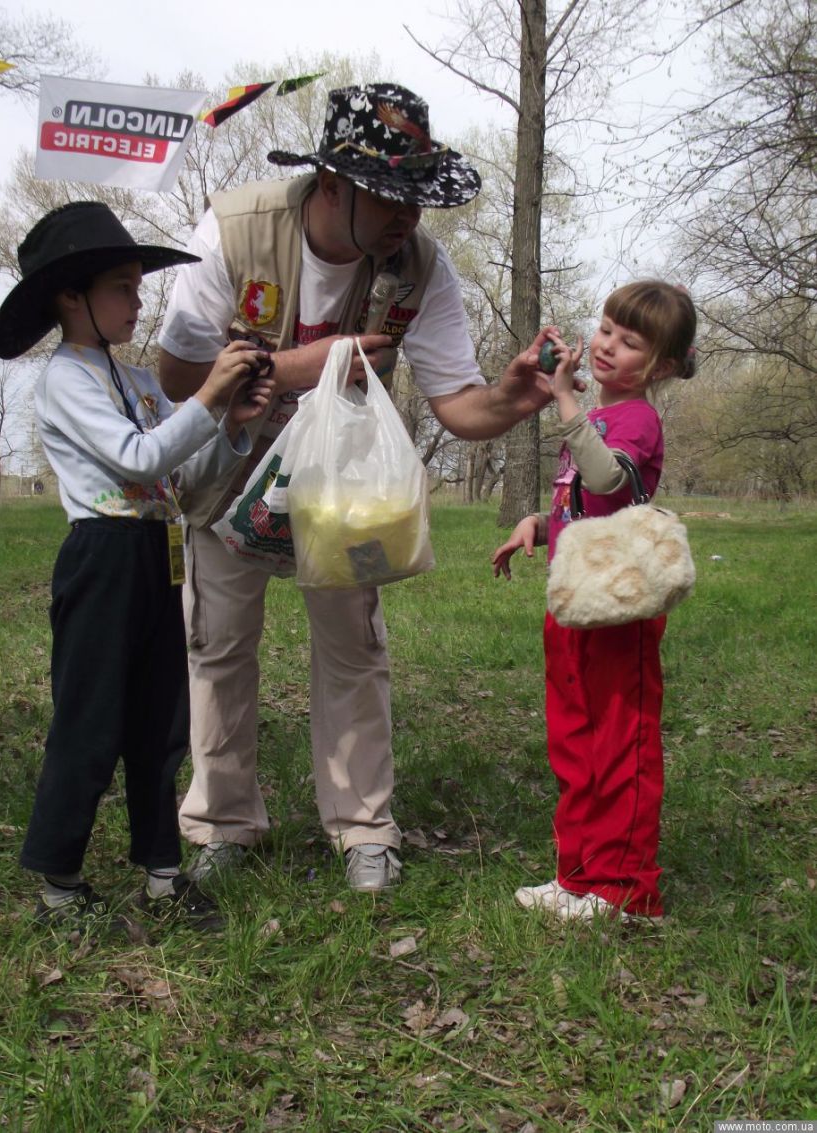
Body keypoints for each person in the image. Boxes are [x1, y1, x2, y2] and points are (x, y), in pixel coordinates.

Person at [158, 83, 565, 892]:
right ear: (332, 183)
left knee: (354, 645)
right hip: (227, 469)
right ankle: (221, 822)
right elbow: (173, 375)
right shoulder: (235, 230)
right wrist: (291, 367)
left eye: (418, 197)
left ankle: (363, 827)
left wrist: (514, 397)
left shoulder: (419, 266)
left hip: (343, 484)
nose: (406, 217)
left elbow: (459, 405)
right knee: (219, 643)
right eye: (389, 195)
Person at [0, 201, 274, 930]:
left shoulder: (142, 384)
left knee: (162, 715)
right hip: (102, 555)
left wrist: (232, 424)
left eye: (137, 285)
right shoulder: (65, 379)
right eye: (122, 285)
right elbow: (135, 456)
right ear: (70, 295)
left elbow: (179, 474)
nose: (137, 299)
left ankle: (162, 869)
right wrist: (210, 393)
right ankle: (58, 878)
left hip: (158, 553)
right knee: (91, 717)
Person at [492, 280, 697, 922]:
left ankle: (625, 890)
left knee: (620, 743)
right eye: (607, 329)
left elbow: (610, 478)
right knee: (574, 742)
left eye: (630, 342)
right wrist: (539, 522)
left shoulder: (635, 418)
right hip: (574, 604)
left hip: (621, 609)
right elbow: (592, 504)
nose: (608, 346)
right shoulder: (598, 415)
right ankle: (578, 877)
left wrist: (562, 401)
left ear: (659, 366)